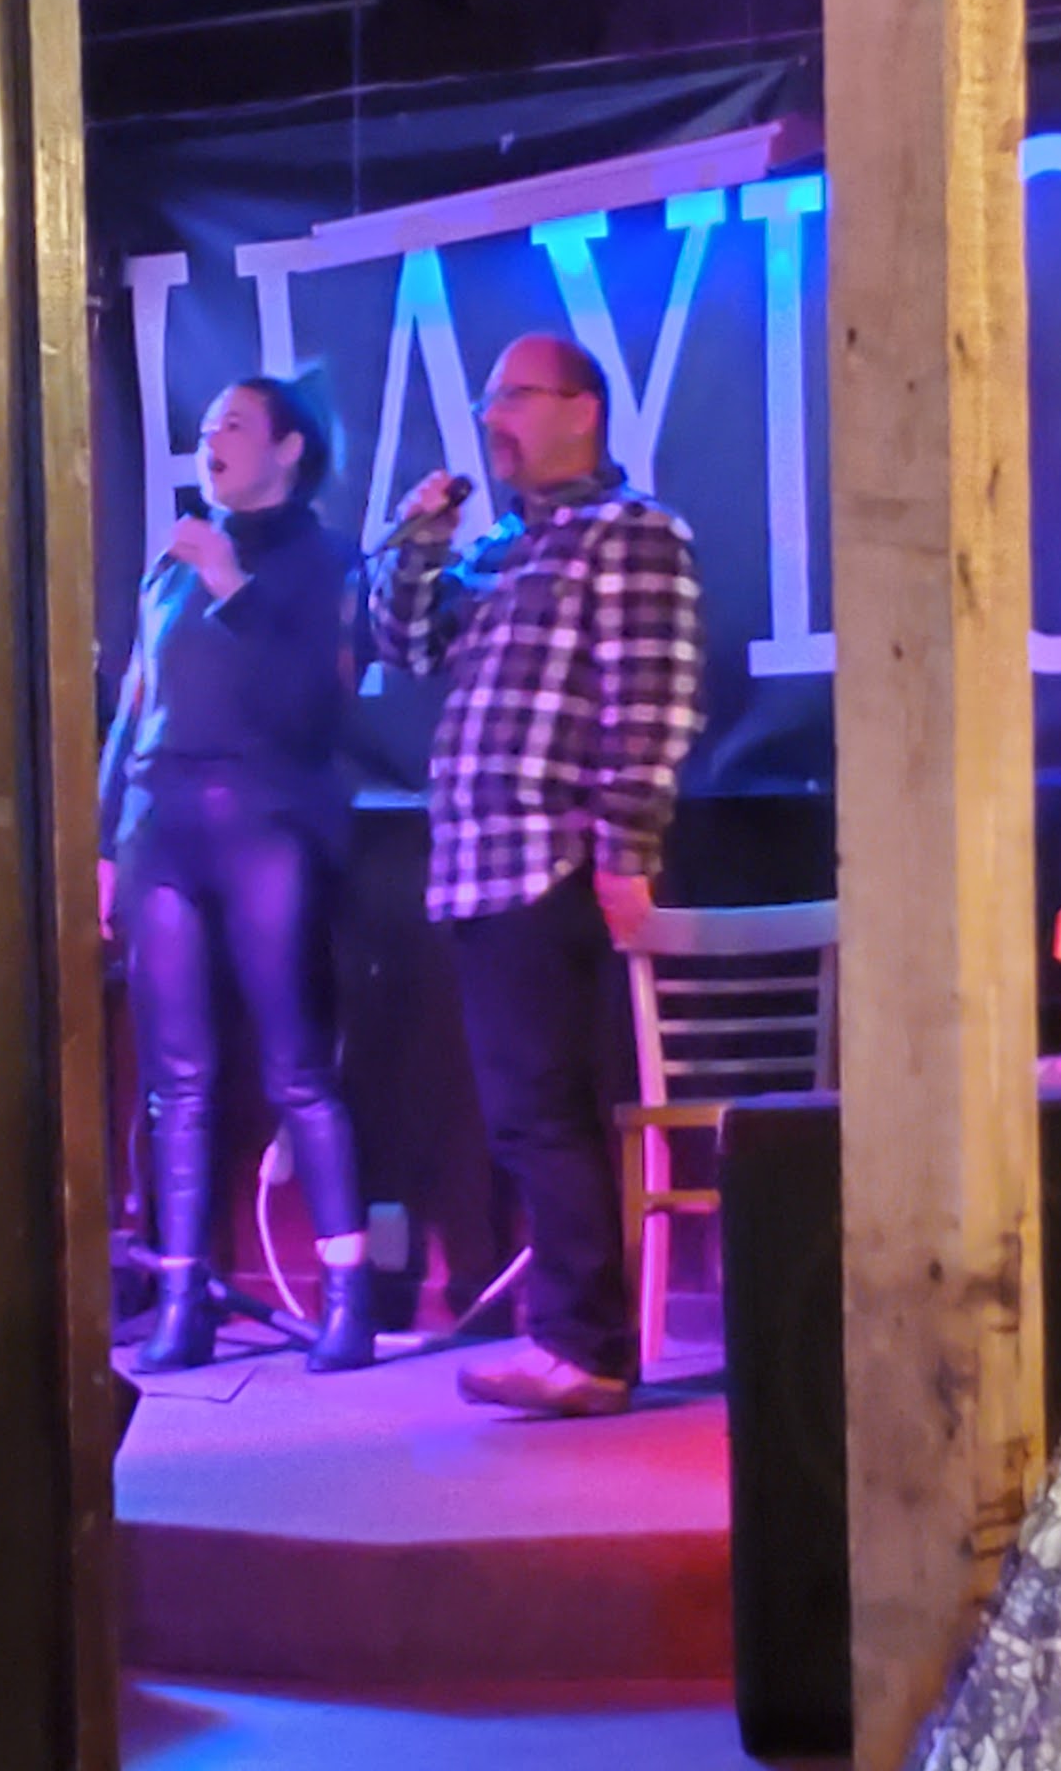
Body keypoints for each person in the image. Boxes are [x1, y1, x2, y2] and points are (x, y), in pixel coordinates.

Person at [369, 333, 704, 1416]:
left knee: (548, 1110)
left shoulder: (633, 534)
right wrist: (420, 540)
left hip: (550, 857)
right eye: (487, 400)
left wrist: (625, 852)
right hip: (477, 866)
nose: (492, 419)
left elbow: (651, 700)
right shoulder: (502, 548)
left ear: (582, 409)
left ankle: (585, 1348)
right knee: (523, 1113)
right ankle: (570, 1339)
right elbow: (406, 645)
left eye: (513, 397)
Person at [99, 376, 374, 1374]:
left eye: (236, 424)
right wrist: (105, 843)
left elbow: (312, 707)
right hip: (160, 827)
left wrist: (232, 586)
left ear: (289, 449)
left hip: (268, 822)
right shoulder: (170, 566)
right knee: (174, 1077)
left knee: (297, 1065)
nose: (211, 437)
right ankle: (182, 1299)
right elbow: (134, 706)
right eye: (208, 423)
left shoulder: (325, 562)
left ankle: (348, 1299)